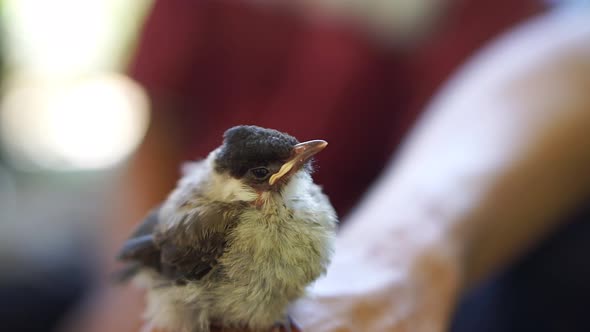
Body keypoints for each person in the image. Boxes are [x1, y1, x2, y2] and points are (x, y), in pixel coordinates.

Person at [61, 1, 590, 331]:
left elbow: (560, 55)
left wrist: (398, 271)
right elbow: (161, 115)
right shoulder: (211, 221)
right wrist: (122, 301)